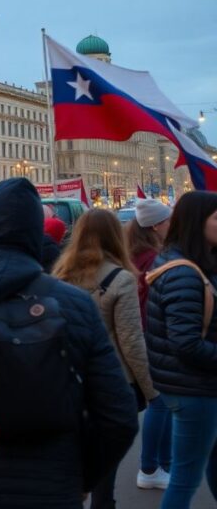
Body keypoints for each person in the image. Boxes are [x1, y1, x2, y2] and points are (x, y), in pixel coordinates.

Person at [0, 178, 138, 509]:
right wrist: (81, 476)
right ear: (35, 232)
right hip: (52, 487)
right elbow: (119, 416)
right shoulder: (75, 304)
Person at [52, 208, 158, 509]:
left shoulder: (60, 274)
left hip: (67, 374)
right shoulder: (121, 278)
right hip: (109, 379)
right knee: (105, 461)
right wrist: (151, 390)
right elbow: (131, 340)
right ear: (116, 236)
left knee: (72, 452)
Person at [145, 190, 217, 509]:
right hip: (194, 389)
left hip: (194, 385)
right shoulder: (184, 273)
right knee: (185, 478)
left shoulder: (187, 261)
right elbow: (186, 344)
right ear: (197, 223)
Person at [126, 198, 173, 490]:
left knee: (162, 402)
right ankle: (151, 466)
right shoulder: (152, 259)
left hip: (145, 335)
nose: (172, 225)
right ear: (156, 226)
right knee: (160, 402)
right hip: (151, 336)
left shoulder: (136, 254)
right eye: (168, 221)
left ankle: (160, 465)